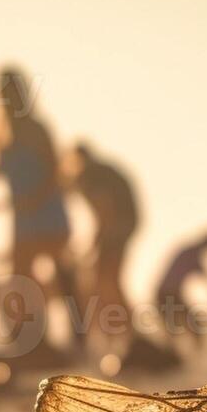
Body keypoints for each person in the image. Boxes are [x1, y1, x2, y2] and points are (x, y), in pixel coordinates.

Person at [0, 67, 85, 359]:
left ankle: (79, 341)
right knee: (21, 280)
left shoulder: (37, 128)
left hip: (47, 214)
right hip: (23, 220)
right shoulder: (5, 135)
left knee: (61, 274)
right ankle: (33, 341)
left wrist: (34, 199)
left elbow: (55, 169)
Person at [68, 140, 141, 348]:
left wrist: (93, 246)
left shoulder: (90, 176)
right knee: (107, 282)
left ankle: (125, 337)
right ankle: (124, 336)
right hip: (125, 226)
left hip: (117, 230)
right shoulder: (102, 170)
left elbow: (105, 212)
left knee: (105, 282)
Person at [154, 231, 207, 347]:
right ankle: (196, 356)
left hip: (165, 293)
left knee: (173, 329)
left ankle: (174, 355)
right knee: (192, 326)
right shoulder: (193, 254)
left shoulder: (189, 251)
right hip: (168, 294)